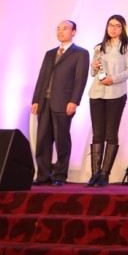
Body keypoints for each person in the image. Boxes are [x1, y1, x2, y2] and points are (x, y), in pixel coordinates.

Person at [31, 20, 90, 186]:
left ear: (74, 32)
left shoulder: (80, 53)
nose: (60, 31)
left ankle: (59, 175)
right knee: (42, 140)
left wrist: (74, 101)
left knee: (62, 139)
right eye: (58, 29)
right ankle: (43, 174)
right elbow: (42, 77)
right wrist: (36, 99)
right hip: (45, 101)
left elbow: (80, 79)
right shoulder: (50, 53)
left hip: (64, 102)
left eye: (65, 28)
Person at [86, 15, 128, 187]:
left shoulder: (126, 47)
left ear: (123, 29)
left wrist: (113, 79)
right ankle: (95, 174)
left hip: (116, 94)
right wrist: (93, 67)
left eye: (117, 26)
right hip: (97, 94)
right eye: (110, 25)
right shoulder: (99, 47)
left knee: (110, 134)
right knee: (97, 134)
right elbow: (92, 73)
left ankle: (105, 174)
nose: (113, 29)